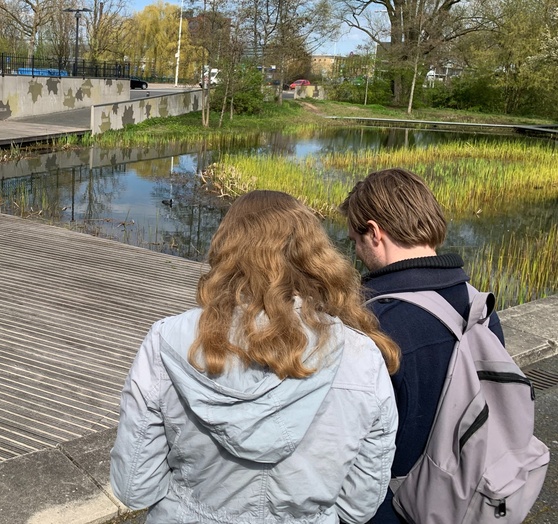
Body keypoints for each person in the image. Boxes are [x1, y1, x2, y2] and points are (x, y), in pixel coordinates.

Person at [111, 190, 401, 523]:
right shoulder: (361, 355)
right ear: (314, 254)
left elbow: (134, 486)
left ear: (226, 246)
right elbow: (359, 505)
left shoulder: (166, 340)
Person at [339, 168, 505, 523]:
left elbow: (345, 442)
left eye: (354, 239)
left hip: (393, 508)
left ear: (374, 233)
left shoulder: (375, 328)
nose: (355, 250)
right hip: (468, 495)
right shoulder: (481, 308)